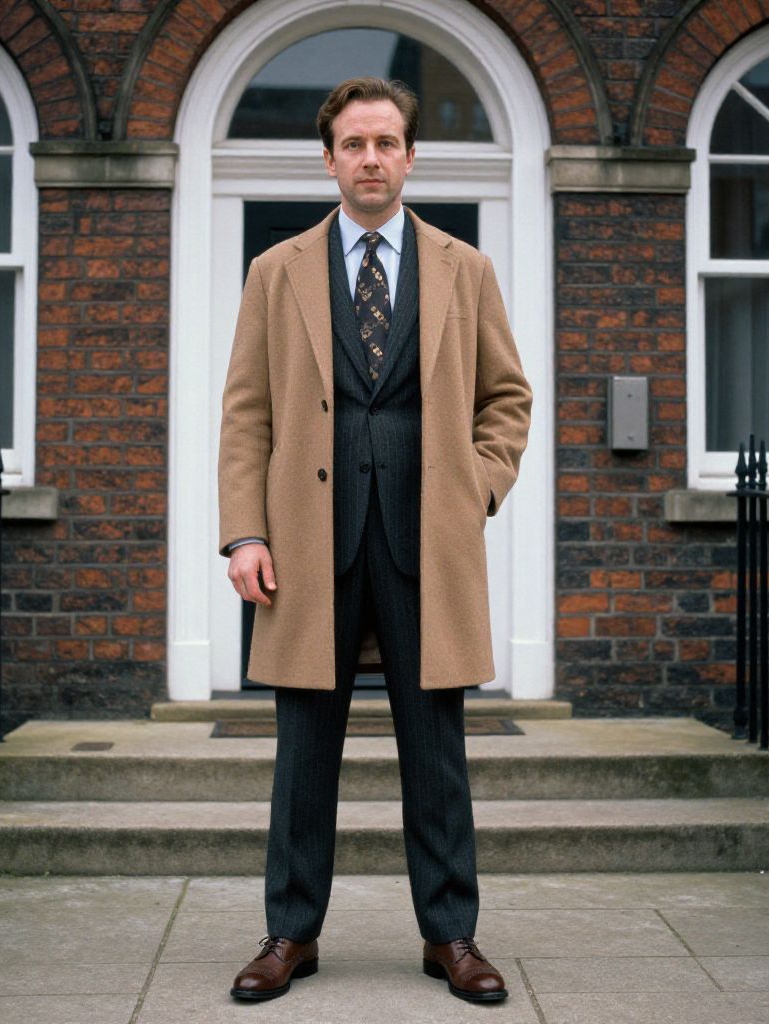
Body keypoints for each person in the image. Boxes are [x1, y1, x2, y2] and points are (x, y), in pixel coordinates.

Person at [217, 76, 532, 1004]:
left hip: (427, 546)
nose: (370, 159)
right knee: (303, 757)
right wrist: (244, 534)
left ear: (409, 156)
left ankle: (451, 936)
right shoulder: (275, 270)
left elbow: (506, 398)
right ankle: (289, 933)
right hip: (307, 548)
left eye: (385, 142)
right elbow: (246, 415)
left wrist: (477, 487)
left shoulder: (464, 269)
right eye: (353, 144)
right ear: (328, 160)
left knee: (435, 755)